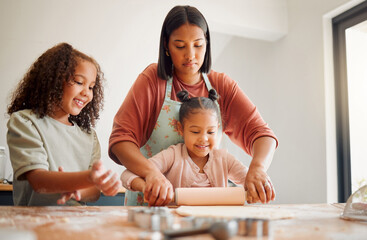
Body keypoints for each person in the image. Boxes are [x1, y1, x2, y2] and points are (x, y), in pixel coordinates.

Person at [109, 5, 278, 206]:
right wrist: (151, 174)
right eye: (180, 46)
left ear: (207, 43)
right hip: (153, 206)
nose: (190, 55)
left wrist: (258, 168)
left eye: (198, 45)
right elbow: (121, 140)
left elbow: (262, 134)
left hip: (208, 212)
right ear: (166, 45)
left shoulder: (222, 85)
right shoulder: (152, 80)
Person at [7, 42, 122, 206]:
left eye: (91, 87)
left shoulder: (89, 137)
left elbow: (94, 192)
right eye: (79, 82)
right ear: (54, 79)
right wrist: (87, 178)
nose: (86, 93)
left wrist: (78, 190)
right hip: (34, 225)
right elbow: (38, 181)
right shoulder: (26, 122)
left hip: (76, 224)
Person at [121, 89, 254, 206]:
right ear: (181, 129)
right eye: (195, 132)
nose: (204, 138)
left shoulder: (224, 159)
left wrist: (258, 184)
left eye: (211, 132)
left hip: (215, 226)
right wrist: (148, 187)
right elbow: (127, 174)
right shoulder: (173, 156)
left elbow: (250, 181)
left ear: (217, 129)